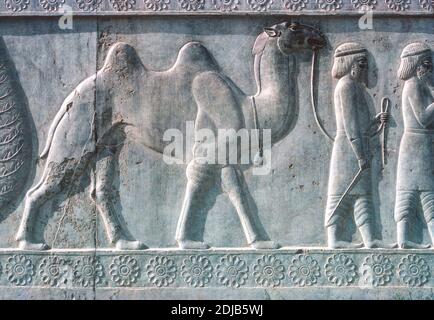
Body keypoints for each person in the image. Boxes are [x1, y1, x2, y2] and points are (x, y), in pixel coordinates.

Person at [325, 42, 388, 248]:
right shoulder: (346, 86)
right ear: (350, 64)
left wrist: (375, 120)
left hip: (357, 146)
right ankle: (334, 239)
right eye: (361, 64)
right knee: (341, 195)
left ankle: (370, 239)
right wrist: (360, 155)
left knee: (363, 195)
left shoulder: (355, 87)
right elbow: (351, 126)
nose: (365, 69)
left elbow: (361, 125)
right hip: (348, 149)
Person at [394, 42, 434, 249]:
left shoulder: (423, 85)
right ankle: (402, 239)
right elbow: (424, 118)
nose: (430, 69)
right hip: (416, 143)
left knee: (428, 191)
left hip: (424, 143)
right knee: (411, 191)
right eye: (427, 64)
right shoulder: (413, 85)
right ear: (416, 64)